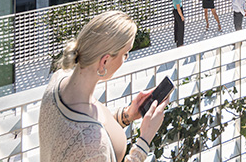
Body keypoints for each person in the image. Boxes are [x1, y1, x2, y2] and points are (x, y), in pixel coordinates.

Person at [39, 10, 168, 162]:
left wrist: (126, 115)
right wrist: (144, 140)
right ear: (104, 62)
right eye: (125, 54)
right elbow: (88, 139)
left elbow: (90, 126)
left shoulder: (59, 79)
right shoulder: (90, 144)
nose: (125, 60)